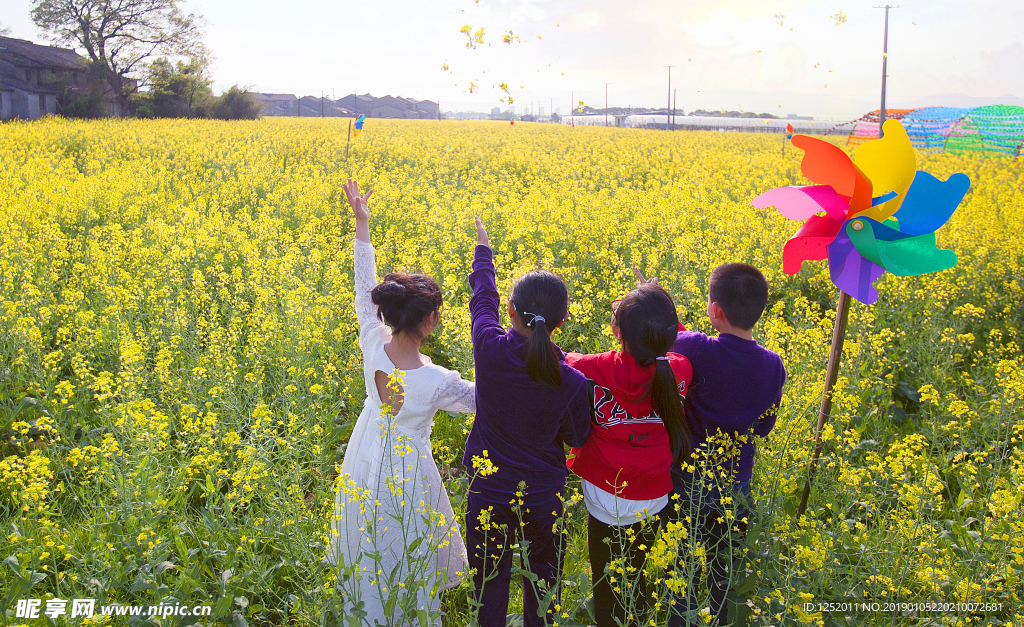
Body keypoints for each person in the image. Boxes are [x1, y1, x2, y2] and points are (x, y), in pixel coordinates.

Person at [329, 179, 477, 626]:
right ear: (430, 321)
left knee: (368, 534)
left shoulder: (372, 340)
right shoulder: (437, 382)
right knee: (405, 542)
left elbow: (361, 289)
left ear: (387, 313)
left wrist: (362, 225)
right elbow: (490, 400)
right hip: (408, 470)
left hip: (366, 452)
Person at [463, 217, 592, 627]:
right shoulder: (572, 380)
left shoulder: (489, 349)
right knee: (544, 588)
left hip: (489, 492)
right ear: (563, 320)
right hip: (542, 497)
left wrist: (484, 253)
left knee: (488, 587)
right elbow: (577, 437)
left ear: (511, 311)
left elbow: (482, 300)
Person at [564, 282, 693, 627]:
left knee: (607, 582)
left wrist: (627, 318)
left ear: (617, 331)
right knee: (634, 566)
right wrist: (651, 312)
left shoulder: (592, 368)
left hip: (606, 496)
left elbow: (556, 356)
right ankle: (635, 612)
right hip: (654, 495)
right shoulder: (679, 368)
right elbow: (669, 341)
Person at [665, 263, 786, 627]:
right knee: (723, 564)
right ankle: (717, 618)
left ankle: (678, 620)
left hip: (689, 480)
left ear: (715, 310)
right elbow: (764, 427)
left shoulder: (696, 347)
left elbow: (670, 337)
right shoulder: (773, 365)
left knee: (681, 563)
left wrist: (658, 300)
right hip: (737, 481)